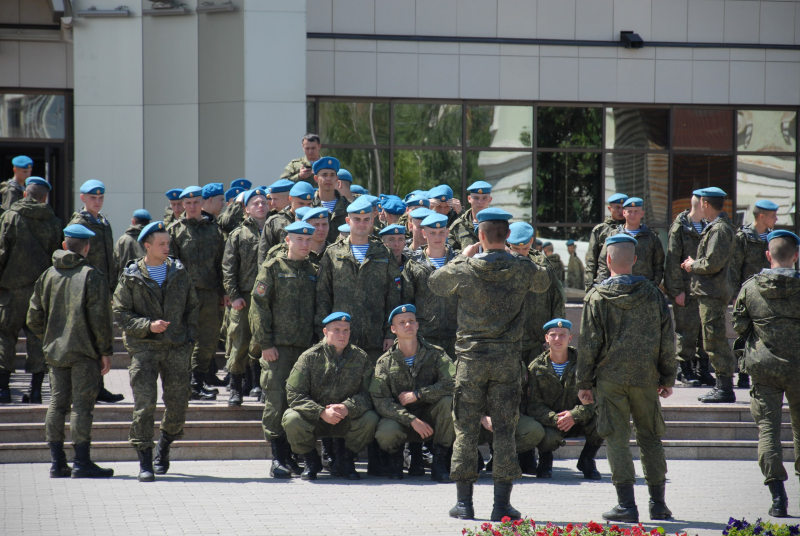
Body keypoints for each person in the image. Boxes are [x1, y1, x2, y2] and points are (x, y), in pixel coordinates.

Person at [429, 207, 551, 522]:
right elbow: (544, 281)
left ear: (479, 235)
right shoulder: (523, 268)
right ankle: (501, 506)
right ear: (508, 236)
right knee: (505, 431)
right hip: (507, 363)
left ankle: (465, 504)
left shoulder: (464, 268)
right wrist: (520, 255)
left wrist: (461, 256)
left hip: (471, 362)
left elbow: (435, 283)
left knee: (466, 430)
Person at [577, 234, 676, 523]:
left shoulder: (597, 297)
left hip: (610, 379)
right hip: (646, 377)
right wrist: (668, 376)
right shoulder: (654, 294)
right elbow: (666, 340)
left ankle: (626, 505)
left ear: (607, 260)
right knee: (650, 438)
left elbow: (589, 344)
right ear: (634, 259)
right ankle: (658, 505)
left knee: (617, 439)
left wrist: (583, 383)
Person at [315, 196, 401, 475]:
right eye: (357, 219)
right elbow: (323, 297)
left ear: (373, 220)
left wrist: (391, 333)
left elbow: (393, 296)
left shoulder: (383, 252)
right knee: (338, 392)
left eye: (367, 219)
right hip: (341, 339)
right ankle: (339, 456)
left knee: (375, 394)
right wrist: (324, 335)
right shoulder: (332, 254)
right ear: (348, 221)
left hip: (376, 339)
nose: (362, 224)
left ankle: (376, 458)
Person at [113, 221, 199, 482]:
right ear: (147, 246)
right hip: (145, 349)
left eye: (168, 243)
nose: (167, 247)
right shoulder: (131, 276)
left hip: (176, 348)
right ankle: (145, 461)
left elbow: (192, 307)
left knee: (178, 404)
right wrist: (147, 326)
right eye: (162, 244)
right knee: (144, 405)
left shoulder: (179, 272)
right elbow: (120, 312)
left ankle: (164, 446)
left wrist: (188, 340)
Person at [27, 224, 115, 479]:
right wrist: (105, 351)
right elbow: (100, 319)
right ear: (86, 247)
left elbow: (33, 317)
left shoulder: (47, 275)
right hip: (84, 352)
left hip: (56, 353)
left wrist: (50, 339)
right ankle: (81, 462)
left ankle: (57, 463)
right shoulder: (91, 275)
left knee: (56, 405)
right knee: (82, 408)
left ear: (65, 245)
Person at [732, 230, 800, 518]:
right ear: (796, 256)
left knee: (768, 431)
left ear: (768, 255)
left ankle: (778, 498)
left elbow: (738, 325)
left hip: (764, 368)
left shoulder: (750, 288)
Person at [250, 220, 319, 478]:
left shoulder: (314, 270)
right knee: (276, 400)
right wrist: (265, 344)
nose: (304, 244)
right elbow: (258, 306)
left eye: (308, 240)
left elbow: (320, 308)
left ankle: (295, 454)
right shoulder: (272, 268)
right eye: (299, 239)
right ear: (287, 240)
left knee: (301, 401)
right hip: (277, 349)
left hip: (306, 349)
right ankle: (278, 458)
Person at [282, 312, 379, 480]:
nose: (342, 334)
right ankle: (311, 460)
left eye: (346, 330)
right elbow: (294, 393)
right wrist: (320, 412)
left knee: (370, 418)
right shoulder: (309, 357)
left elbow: (370, 393)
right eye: (337, 330)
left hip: (345, 418)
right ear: (325, 332)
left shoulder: (361, 357)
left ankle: (347, 460)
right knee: (291, 419)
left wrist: (348, 407)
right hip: (315, 419)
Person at [370, 304, 455, 482]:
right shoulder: (384, 362)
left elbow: (453, 383)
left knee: (449, 402)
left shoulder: (436, 354)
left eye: (411, 321)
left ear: (417, 325)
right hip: (400, 420)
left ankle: (439, 463)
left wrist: (419, 394)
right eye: (402, 322)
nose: (407, 325)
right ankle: (395, 460)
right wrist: (411, 420)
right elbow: (380, 401)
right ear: (393, 329)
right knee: (386, 432)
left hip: (429, 418)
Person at [0, 178, 62, 404]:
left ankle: (3, 389)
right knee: (37, 339)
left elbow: (1, 252)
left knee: (5, 335)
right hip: (41, 291)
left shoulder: (10, 217)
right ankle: (35, 391)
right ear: (44, 197)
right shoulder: (53, 222)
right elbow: (57, 258)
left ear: (25, 194)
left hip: (11, 291)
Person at [526, 318, 603, 480]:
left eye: (562, 335)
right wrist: (556, 419)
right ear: (546, 338)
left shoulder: (585, 365)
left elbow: (595, 399)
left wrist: (574, 415)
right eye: (553, 335)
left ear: (570, 338)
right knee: (545, 435)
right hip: (552, 423)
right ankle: (545, 459)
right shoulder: (536, 367)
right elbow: (533, 405)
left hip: (580, 419)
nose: (557, 339)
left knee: (604, 419)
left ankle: (587, 459)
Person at [168, 185, 225, 401]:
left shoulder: (214, 229)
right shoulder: (174, 230)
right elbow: (170, 266)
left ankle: (198, 382)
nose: (192, 207)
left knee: (208, 339)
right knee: (186, 339)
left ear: (202, 203)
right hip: (185, 295)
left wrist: (224, 291)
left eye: (196, 202)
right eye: (188, 203)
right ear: (183, 205)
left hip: (210, 293)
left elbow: (221, 263)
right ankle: (185, 382)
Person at [68, 180, 123, 404]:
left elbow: (109, 258)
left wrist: (112, 288)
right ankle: (85, 388)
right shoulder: (79, 223)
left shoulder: (103, 222)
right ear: (83, 198)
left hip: (103, 288)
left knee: (101, 337)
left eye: (100, 198)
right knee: (87, 338)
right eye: (93, 198)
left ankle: (98, 387)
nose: (97, 202)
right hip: (86, 287)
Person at [682, 187, 737, 404]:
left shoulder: (719, 230)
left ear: (705, 203)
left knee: (715, 341)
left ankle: (724, 388)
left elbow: (713, 263)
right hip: (709, 292)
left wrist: (692, 264)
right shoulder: (716, 227)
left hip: (713, 293)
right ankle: (722, 386)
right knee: (712, 340)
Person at [222, 188, 270, 406]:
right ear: (246, 209)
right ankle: (235, 387)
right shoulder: (239, 234)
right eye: (255, 203)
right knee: (240, 342)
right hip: (244, 299)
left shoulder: (275, 231)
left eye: (263, 202)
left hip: (266, 298)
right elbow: (228, 267)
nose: (260, 206)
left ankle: (260, 385)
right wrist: (234, 296)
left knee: (262, 341)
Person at [729, 199, 778, 389]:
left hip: (768, 295)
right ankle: (743, 374)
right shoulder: (742, 237)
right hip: (747, 294)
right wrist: (735, 295)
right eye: (773, 216)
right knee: (744, 334)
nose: (776, 219)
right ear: (761, 216)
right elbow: (734, 268)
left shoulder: (773, 238)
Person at [664, 194, 711, 388]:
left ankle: (703, 369)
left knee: (704, 331)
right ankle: (685, 370)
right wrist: (676, 290)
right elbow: (673, 260)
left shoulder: (709, 226)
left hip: (705, 290)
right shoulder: (680, 227)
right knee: (686, 331)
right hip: (686, 289)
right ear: (701, 204)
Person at [506, 223, 565, 366]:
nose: (520, 253)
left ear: (531, 242)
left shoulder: (542, 266)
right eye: (515, 249)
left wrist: (556, 333)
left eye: (524, 248)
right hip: (509, 343)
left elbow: (557, 298)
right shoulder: (501, 265)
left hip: (536, 343)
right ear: (508, 243)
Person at [402, 213, 459, 358]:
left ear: (447, 232)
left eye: (441, 233)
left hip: (455, 335)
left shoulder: (458, 262)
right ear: (424, 233)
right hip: (425, 335)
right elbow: (407, 299)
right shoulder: (413, 264)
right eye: (432, 233)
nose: (437, 237)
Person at [595, 197, 665, 286]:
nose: (632, 214)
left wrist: (653, 285)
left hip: (644, 290)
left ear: (642, 213)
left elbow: (658, 265)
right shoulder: (614, 235)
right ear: (624, 213)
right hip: (618, 289)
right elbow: (603, 263)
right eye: (629, 211)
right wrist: (603, 286)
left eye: (636, 211)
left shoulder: (651, 237)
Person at [258, 181, 314, 264]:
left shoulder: (316, 221)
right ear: (290, 199)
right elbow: (263, 254)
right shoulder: (275, 222)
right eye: (301, 203)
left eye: (309, 204)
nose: (305, 208)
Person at [584, 193, 627, 291]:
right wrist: (589, 287)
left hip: (628, 284)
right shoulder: (600, 230)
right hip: (605, 284)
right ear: (609, 208)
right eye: (617, 207)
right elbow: (591, 261)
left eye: (623, 208)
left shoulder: (631, 229)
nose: (621, 211)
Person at [311, 157, 350, 243]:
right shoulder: (309, 206)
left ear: (336, 179)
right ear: (316, 178)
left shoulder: (348, 207)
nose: (328, 178)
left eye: (332, 175)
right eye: (324, 175)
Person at [448, 181, 492, 251]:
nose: (480, 202)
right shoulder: (459, 225)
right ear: (469, 199)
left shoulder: (498, 224)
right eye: (476, 198)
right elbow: (449, 251)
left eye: (484, 198)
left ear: (490, 200)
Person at [114, 209, 151, 281]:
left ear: (133, 221)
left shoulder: (122, 240)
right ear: (149, 223)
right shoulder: (152, 240)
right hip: (146, 284)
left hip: (125, 284)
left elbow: (115, 265)